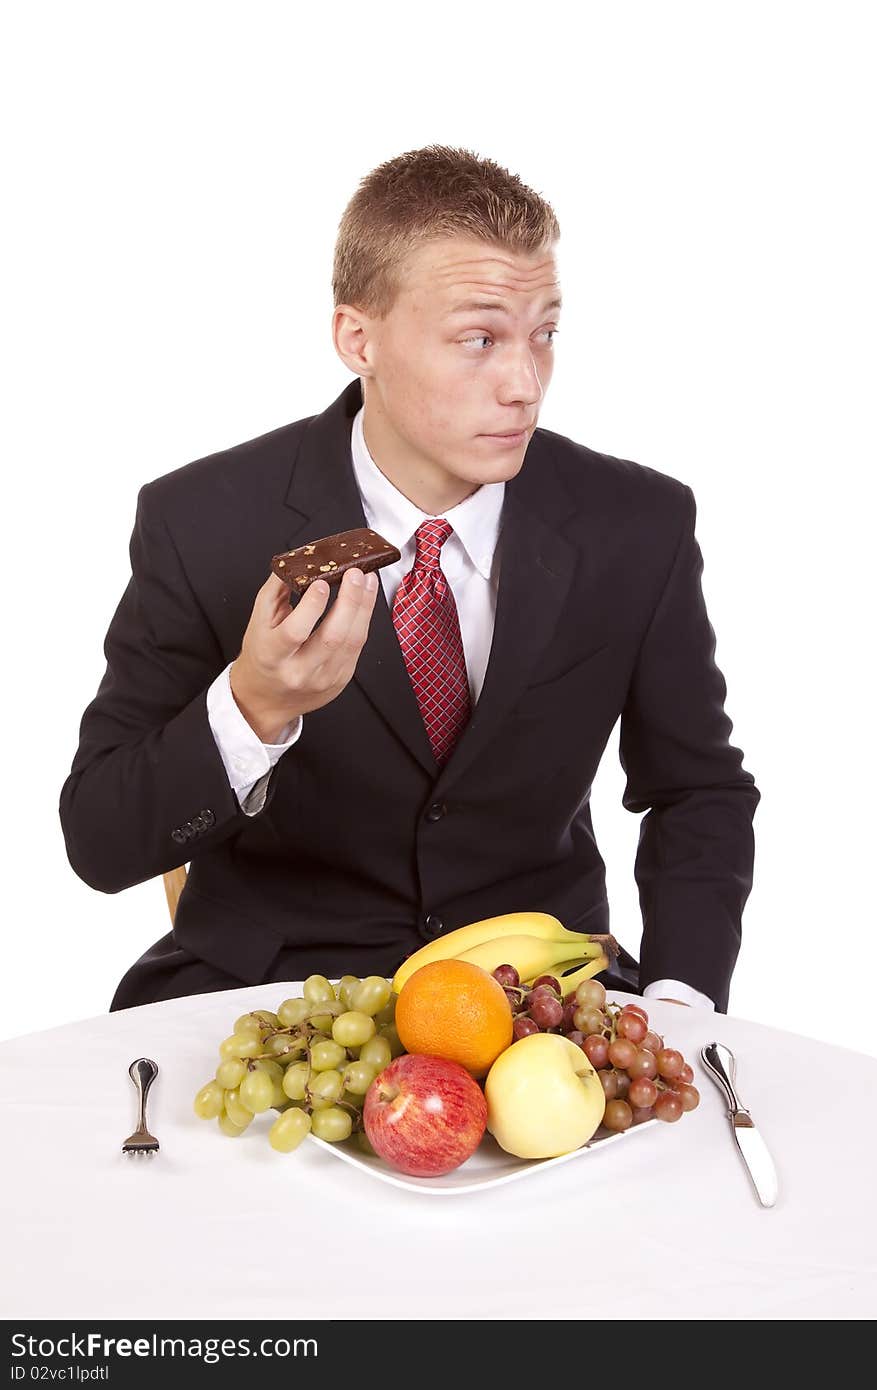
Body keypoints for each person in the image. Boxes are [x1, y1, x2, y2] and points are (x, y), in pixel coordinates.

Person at [59, 144, 760, 1015]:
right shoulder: (202, 520)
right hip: (271, 996)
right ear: (359, 339)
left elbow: (698, 791)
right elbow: (99, 839)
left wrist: (681, 998)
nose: (525, 384)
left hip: (538, 1001)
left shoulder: (638, 523)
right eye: (479, 339)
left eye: (545, 333)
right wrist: (254, 706)